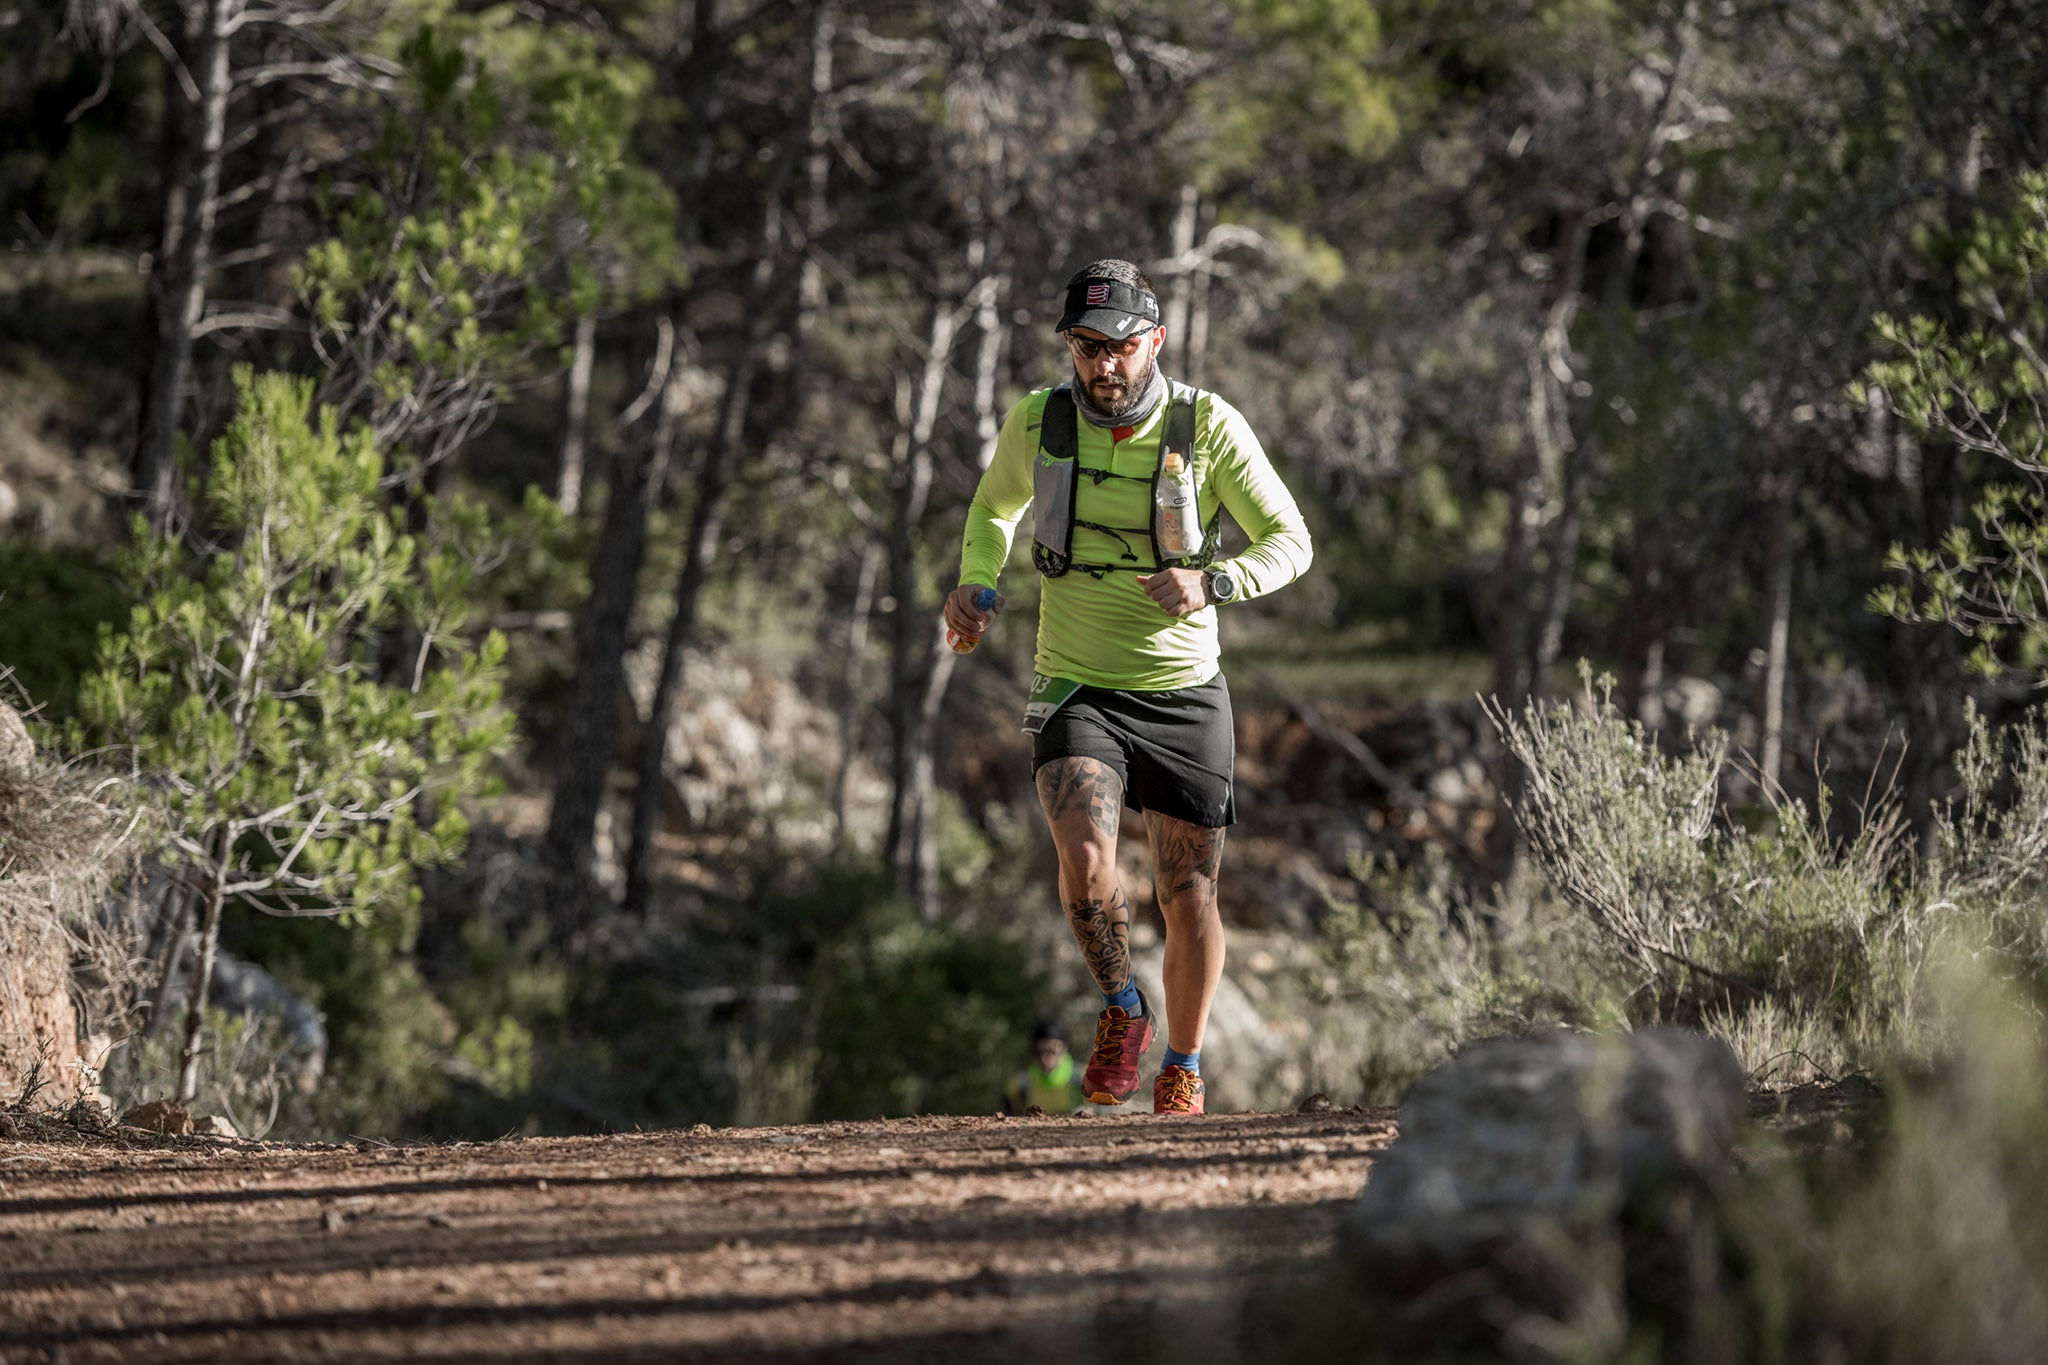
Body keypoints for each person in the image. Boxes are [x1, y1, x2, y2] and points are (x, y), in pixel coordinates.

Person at [943, 259, 1313, 1116]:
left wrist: (1213, 581)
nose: (1102, 365)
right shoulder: (1039, 422)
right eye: (1085, 347)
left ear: (1154, 342)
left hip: (1185, 689)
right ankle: (1121, 1008)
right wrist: (976, 582)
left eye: (1118, 347)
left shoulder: (1209, 427)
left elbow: (1291, 540)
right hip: (1077, 681)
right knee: (1083, 858)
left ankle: (1182, 1062)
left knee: (1187, 893)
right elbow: (993, 508)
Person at [1004, 1020, 1086, 1115]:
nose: (1044, 1058)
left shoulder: (1088, 1079)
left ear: (1064, 1048)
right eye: (1039, 1052)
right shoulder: (1017, 1086)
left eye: (1051, 1051)